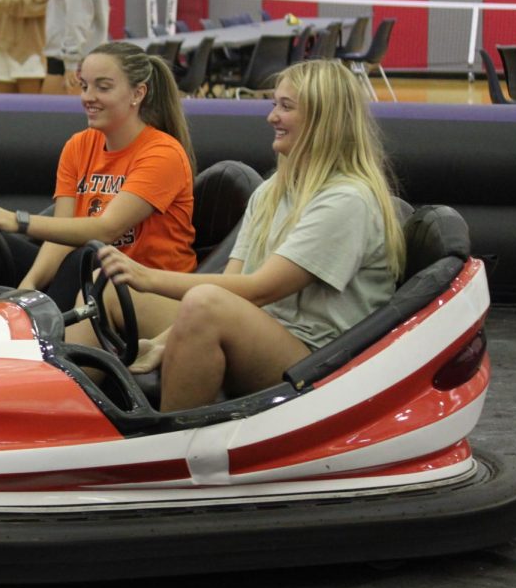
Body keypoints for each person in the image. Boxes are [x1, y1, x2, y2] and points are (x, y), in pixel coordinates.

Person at [96, 58, 406, 411]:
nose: (272, 117)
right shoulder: (275, 189)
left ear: (323, 120)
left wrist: (147, 277)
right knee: (107, 283)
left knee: (205, 304)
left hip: (321, 362)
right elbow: (234, 283)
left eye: (286, 107)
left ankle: (171, 450)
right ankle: (65, 421)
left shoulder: (347, 201)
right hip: (268, 332)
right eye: (275, 104)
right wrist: (165, 342)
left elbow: (259, 289)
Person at [0, 41, 196, 339]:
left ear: (137, 94)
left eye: (103, 87)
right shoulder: (79, 145)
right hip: (93, 274)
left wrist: (19, 220)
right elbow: (64, 234)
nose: (89, 98)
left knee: (90, 256)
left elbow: (106, 229)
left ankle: (38, 348)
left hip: (148, 289)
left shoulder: (162, 153)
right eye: (84, 86)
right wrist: (29, 284)